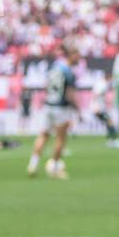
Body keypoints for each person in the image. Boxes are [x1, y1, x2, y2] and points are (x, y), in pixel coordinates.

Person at [27, 43, 80, 179]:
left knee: (43, 135)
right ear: (71, 55)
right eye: (77, 55)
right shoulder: (68, 72)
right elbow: (69, 94)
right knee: (61, 138)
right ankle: (55, 168)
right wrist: (77, 109)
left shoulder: (54, 67)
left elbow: (46, 85)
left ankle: (33, 164)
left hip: (48, 105)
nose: (79, 58)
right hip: (61, 108)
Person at [91, 70, 119, 148]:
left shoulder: (101, 83)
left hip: (99, 108)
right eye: (111, 78)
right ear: (108, 77)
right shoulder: (102, 84)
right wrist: (97, 107)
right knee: (110, 122)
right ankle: (113, 141)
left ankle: (112, 140)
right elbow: (96, 95)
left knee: (109, 122)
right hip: (98, 109)